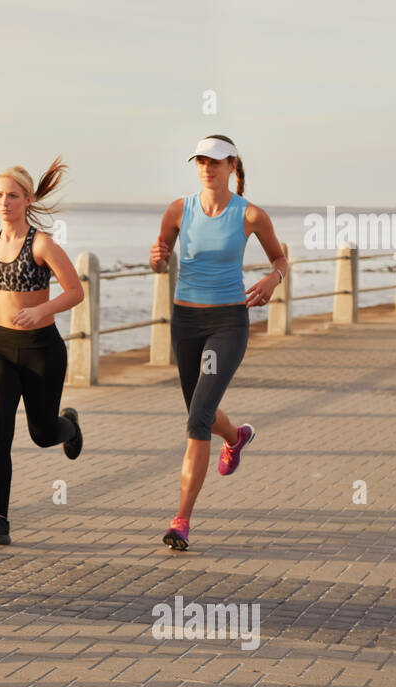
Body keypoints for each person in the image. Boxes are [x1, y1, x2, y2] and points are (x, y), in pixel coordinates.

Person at [149, 135, 285, 550]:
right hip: (186, 321)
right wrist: (156, 259)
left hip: (227, 322)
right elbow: (161, 256)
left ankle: (181, 521)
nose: (208, 167)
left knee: (197, 418)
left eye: (217, 161)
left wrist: (271, 279)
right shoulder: (178, 210)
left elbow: (279, 260)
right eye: (201, 161)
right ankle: (236, 436)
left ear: (232, 166)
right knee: (199, 411)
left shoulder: (251, 215)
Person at [0, 159, 85, 546]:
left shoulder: (42, 244)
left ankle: (68, 424)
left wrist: (41, 309)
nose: (4, 202)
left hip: (42, 351)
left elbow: (74, 291)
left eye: (12, 196)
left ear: (28, 199)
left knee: (42, 433)